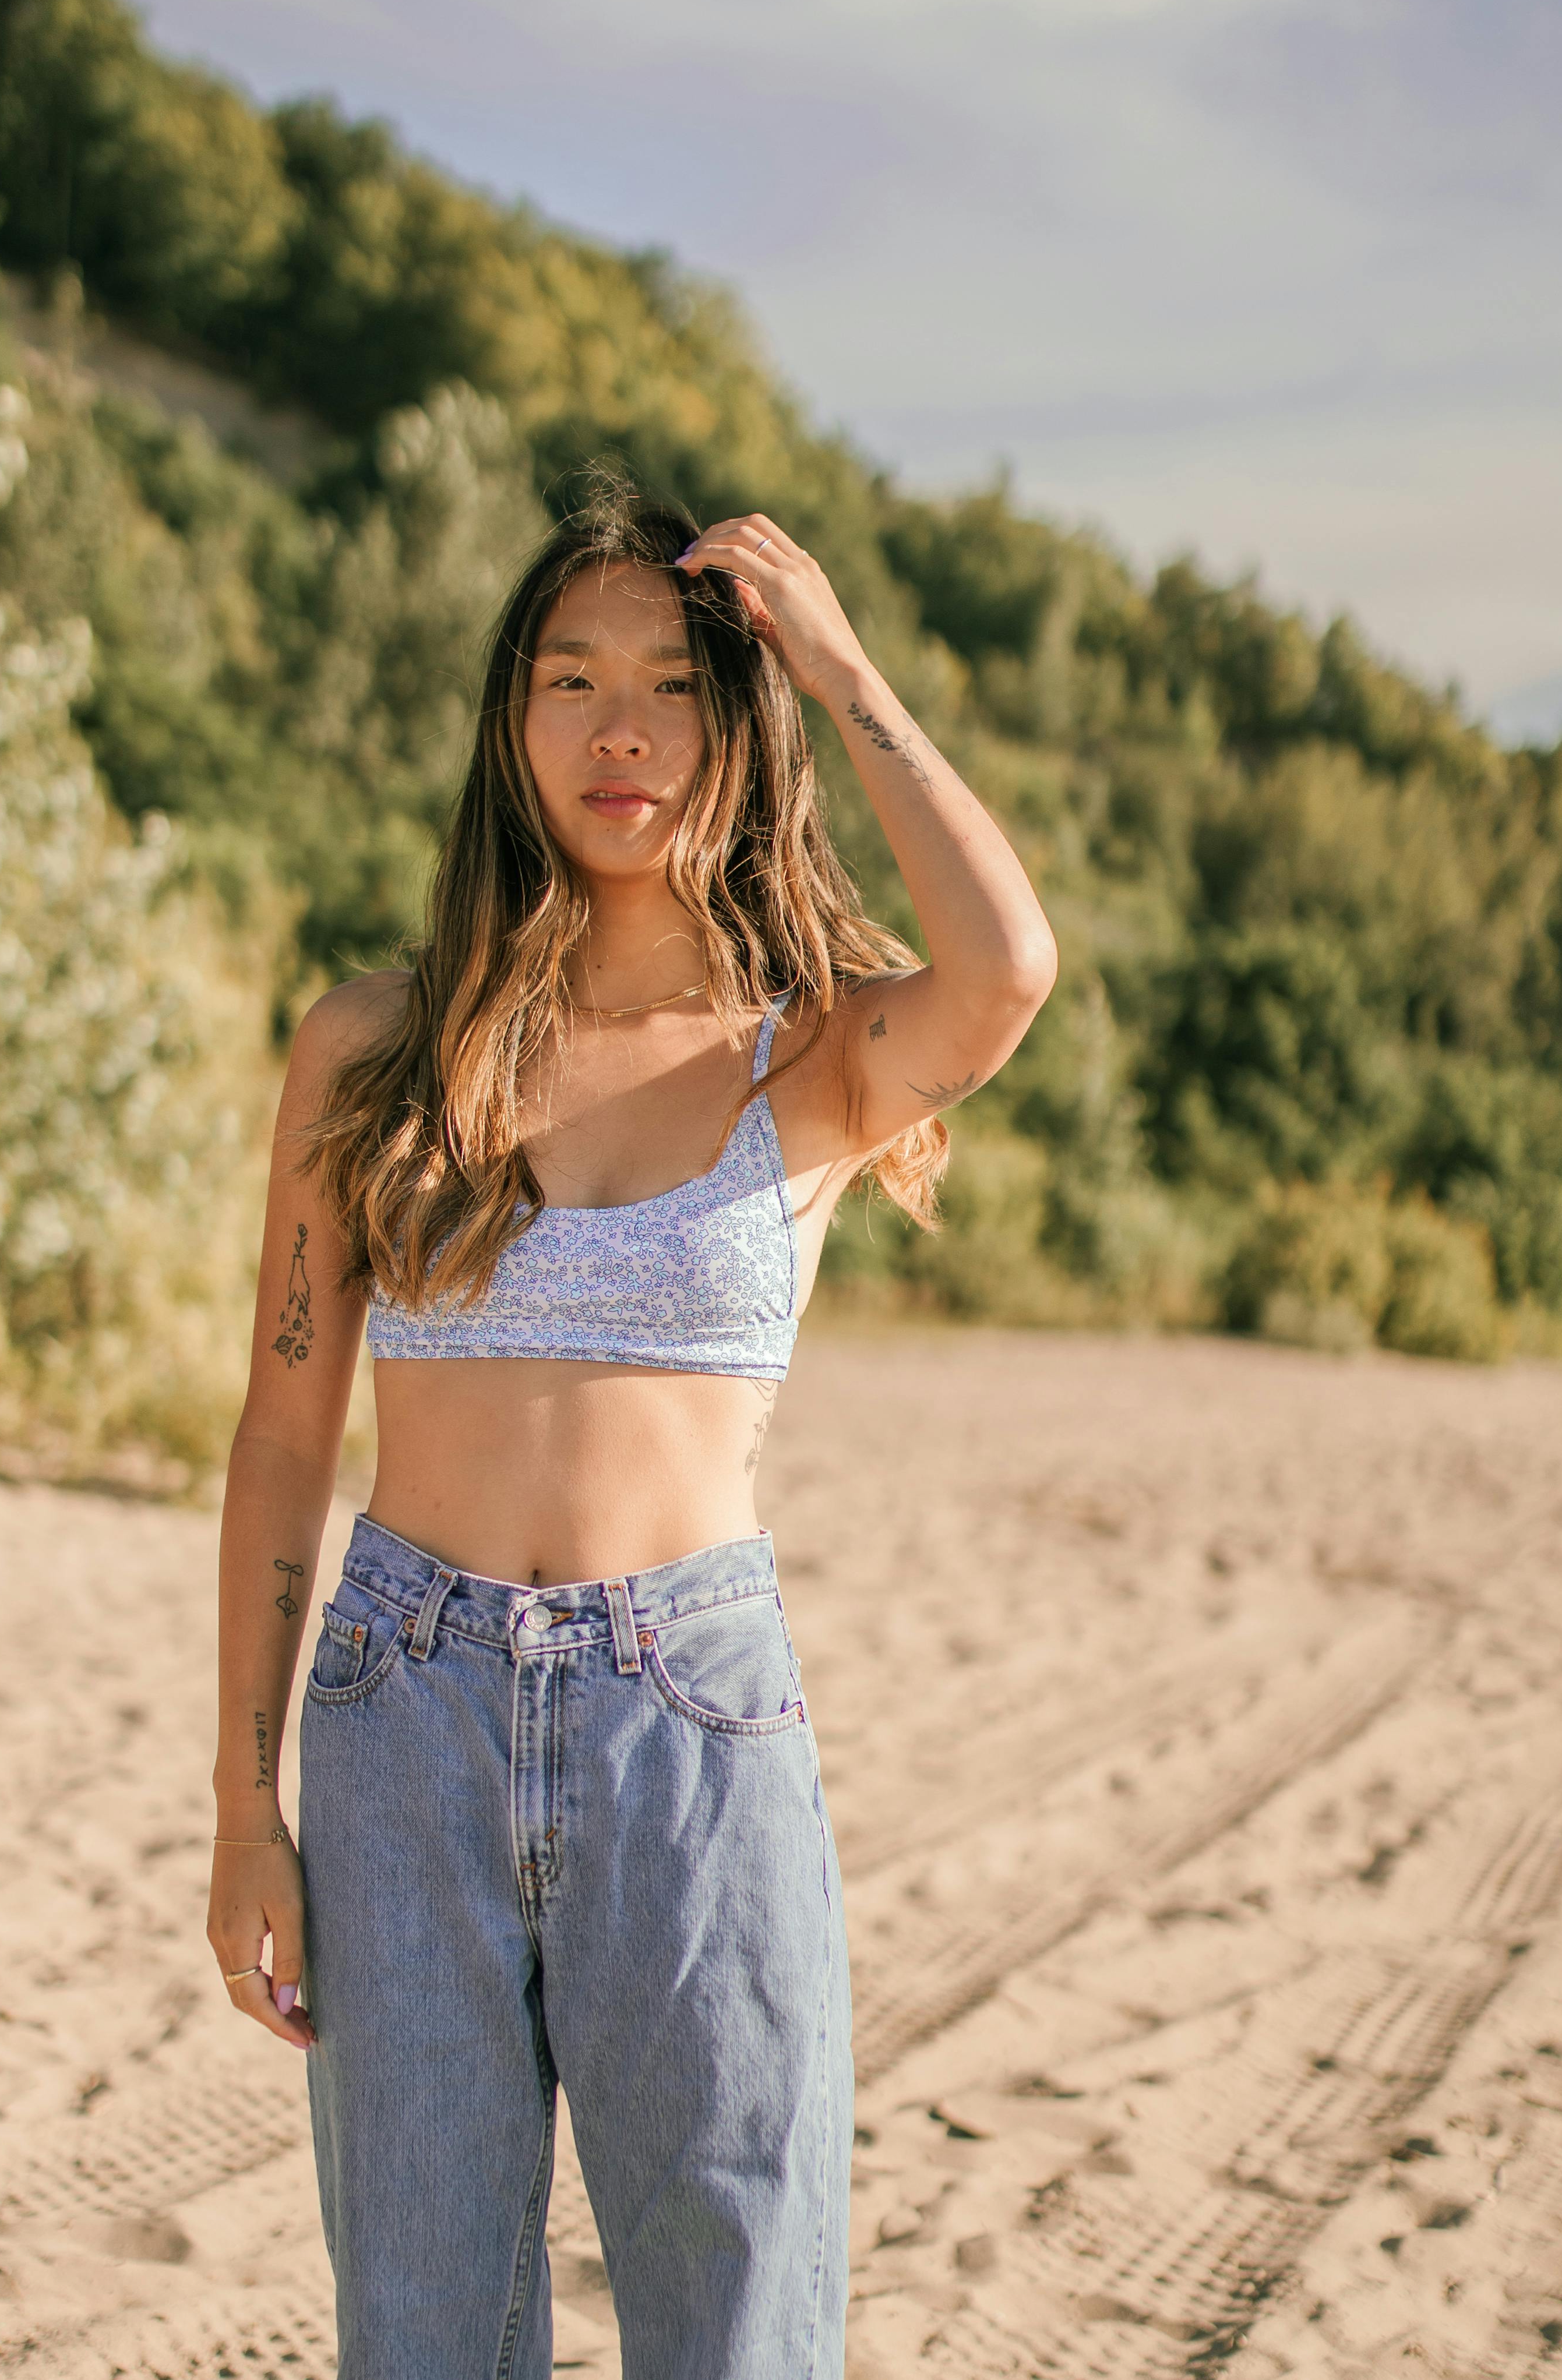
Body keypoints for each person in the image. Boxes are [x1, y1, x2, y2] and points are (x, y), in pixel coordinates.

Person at [207, 481, 1057, 2378]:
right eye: (569, 679)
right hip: (396, 1708)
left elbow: (1007, 967)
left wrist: (840, 665)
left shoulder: (811, 1047)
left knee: (737, 2313)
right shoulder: (374, 1044)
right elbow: (282, 1437)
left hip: (690, 1720)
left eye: (671, 686)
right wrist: (236, 1806)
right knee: (423, 2332)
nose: (618, 731)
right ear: (510, 722)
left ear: (733, 725)